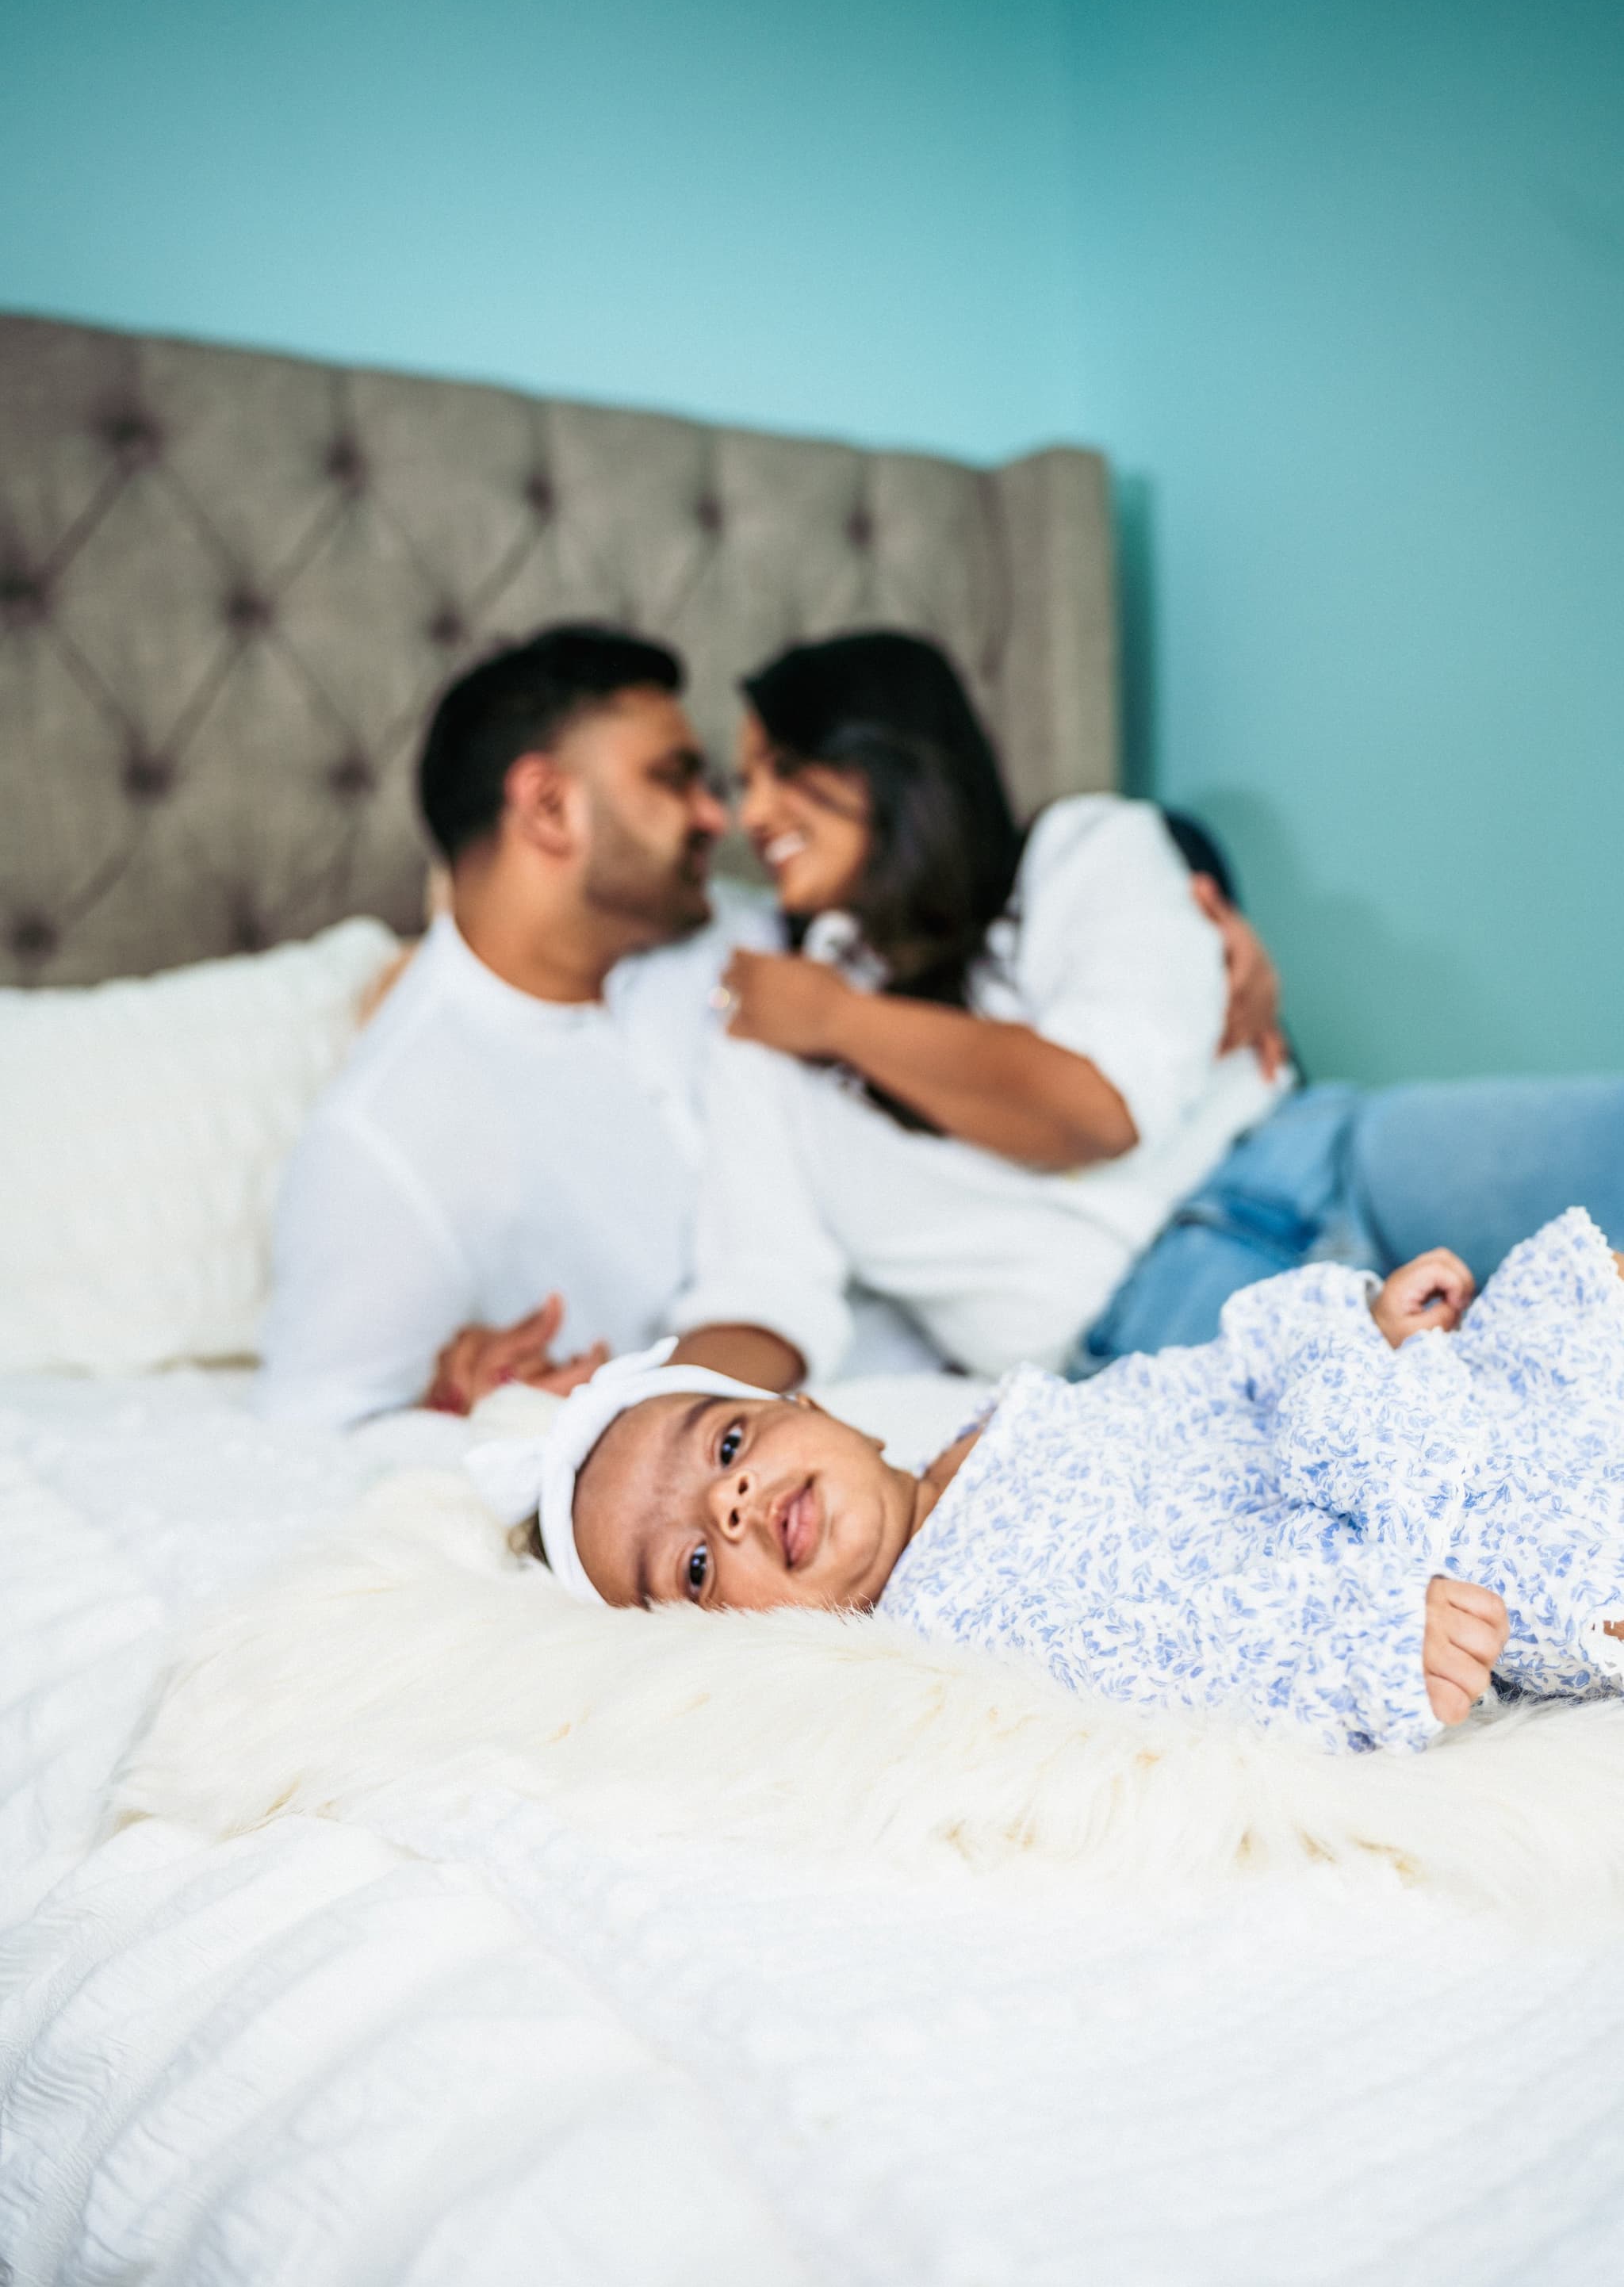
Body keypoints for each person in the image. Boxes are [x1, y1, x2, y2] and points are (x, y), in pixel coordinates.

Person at [258, 624, 1280, 1427]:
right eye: (675, 778)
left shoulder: (755, 942)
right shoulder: (386, 1135)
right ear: (548, 807)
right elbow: (316, 1434)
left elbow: (978, 896)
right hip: (940, 1395)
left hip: (1190, 1216)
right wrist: (457, 1403)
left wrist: (1207, 912)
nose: (725, 818)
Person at [666, 631, 1624, 1394]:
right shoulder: (761, 1032)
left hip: (1304, 1155)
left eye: (782, 767)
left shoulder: (1086, 848)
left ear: (887, 756)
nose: (752, 815)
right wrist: (626, 1416)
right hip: (1153, 1328)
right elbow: (764, 1288)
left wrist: (839, 1020)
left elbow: (1098, 1110)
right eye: (743, 783)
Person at [468, 1212, 1624, 1756]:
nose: (725, 1506)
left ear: (815, 1412)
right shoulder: (947, 1634)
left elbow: (1190, 1385)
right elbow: (1181, 1663)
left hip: (1383, 1420)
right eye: (693, 1565)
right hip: (1420, 1539)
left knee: (1567, 1312)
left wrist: (1356, 1332)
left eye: (726, 1447)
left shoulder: (998, 1426)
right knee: (1561, 1546)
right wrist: (1358, 1645)